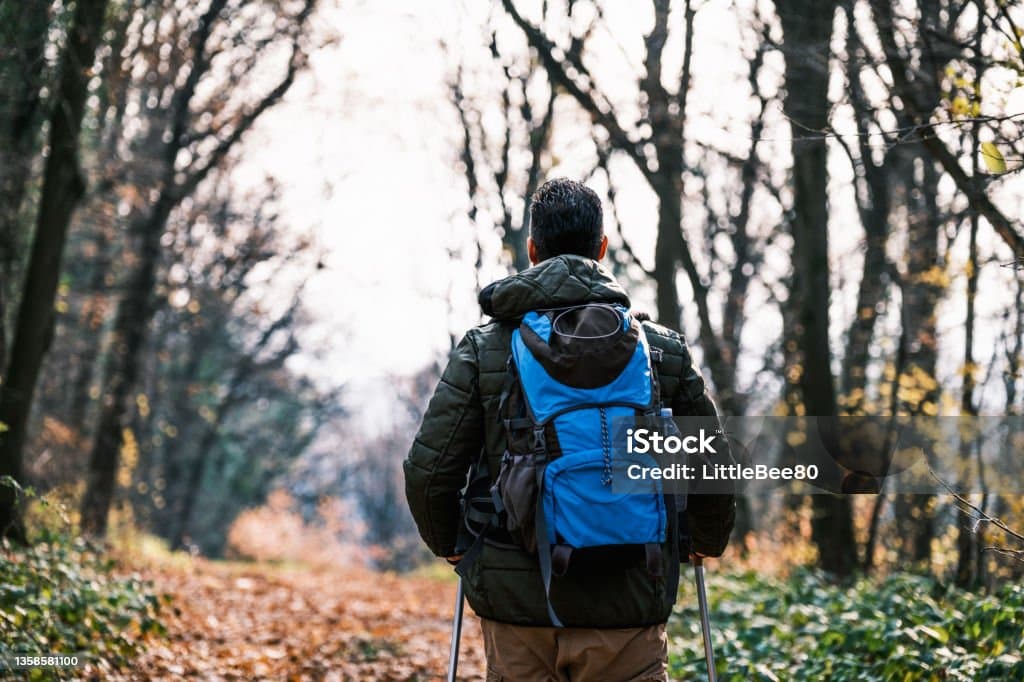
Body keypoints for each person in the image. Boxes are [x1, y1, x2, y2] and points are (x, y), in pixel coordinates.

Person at [404, 178, 736, 681]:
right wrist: (702, 542)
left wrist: (454, 543)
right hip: (630, 596)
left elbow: (428, 471)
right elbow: (711, 466)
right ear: (601, 249)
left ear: (533, 251)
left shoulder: (486, 349)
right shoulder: (659, 350)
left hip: (518, 604)